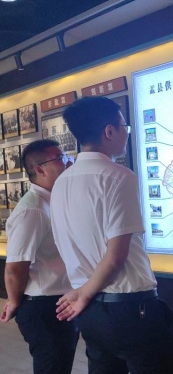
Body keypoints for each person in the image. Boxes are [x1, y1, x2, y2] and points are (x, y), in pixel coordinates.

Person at [49, 96, 173, 374]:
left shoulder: (61, 182)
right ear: (109, 131)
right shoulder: (119, 176)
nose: (127, 133)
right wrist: (85, 294)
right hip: (130, 308)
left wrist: (85, 294)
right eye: (125, 126)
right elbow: (115, 257)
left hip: (90, 313)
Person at [1, 140, 79, 374]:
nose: (68, 162)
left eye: (66, 156)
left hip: (60, 301)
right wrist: (14, 301)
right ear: (40, 169)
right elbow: (15, 267)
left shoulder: (52, 201)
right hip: (42, 306)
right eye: (60, 159)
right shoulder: (32, 209)